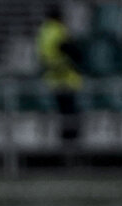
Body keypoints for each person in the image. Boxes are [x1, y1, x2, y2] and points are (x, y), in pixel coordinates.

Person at [37, 5, 83, 144]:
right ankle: (70, 141)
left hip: (52, 78)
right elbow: (69, 50)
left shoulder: (43, 31)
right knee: (69, 113)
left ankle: (65, 139)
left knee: (62, 113)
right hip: (65, 79)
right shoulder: (57, 30)